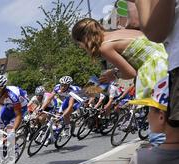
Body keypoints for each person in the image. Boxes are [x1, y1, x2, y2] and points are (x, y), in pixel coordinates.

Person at [72, 17, 169, 145]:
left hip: (156, 69)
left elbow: (130, 73)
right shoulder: (119, 32)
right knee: (170, 115)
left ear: (84, 40)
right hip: (167, 58)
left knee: (158, 120)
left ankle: (162, 154)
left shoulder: (105, 46)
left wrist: (114, 74)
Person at [126, 0, 179, 127]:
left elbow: (154, 31)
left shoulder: (105, 45)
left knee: (167, 130)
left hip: (163, 64)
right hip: (162, 62)